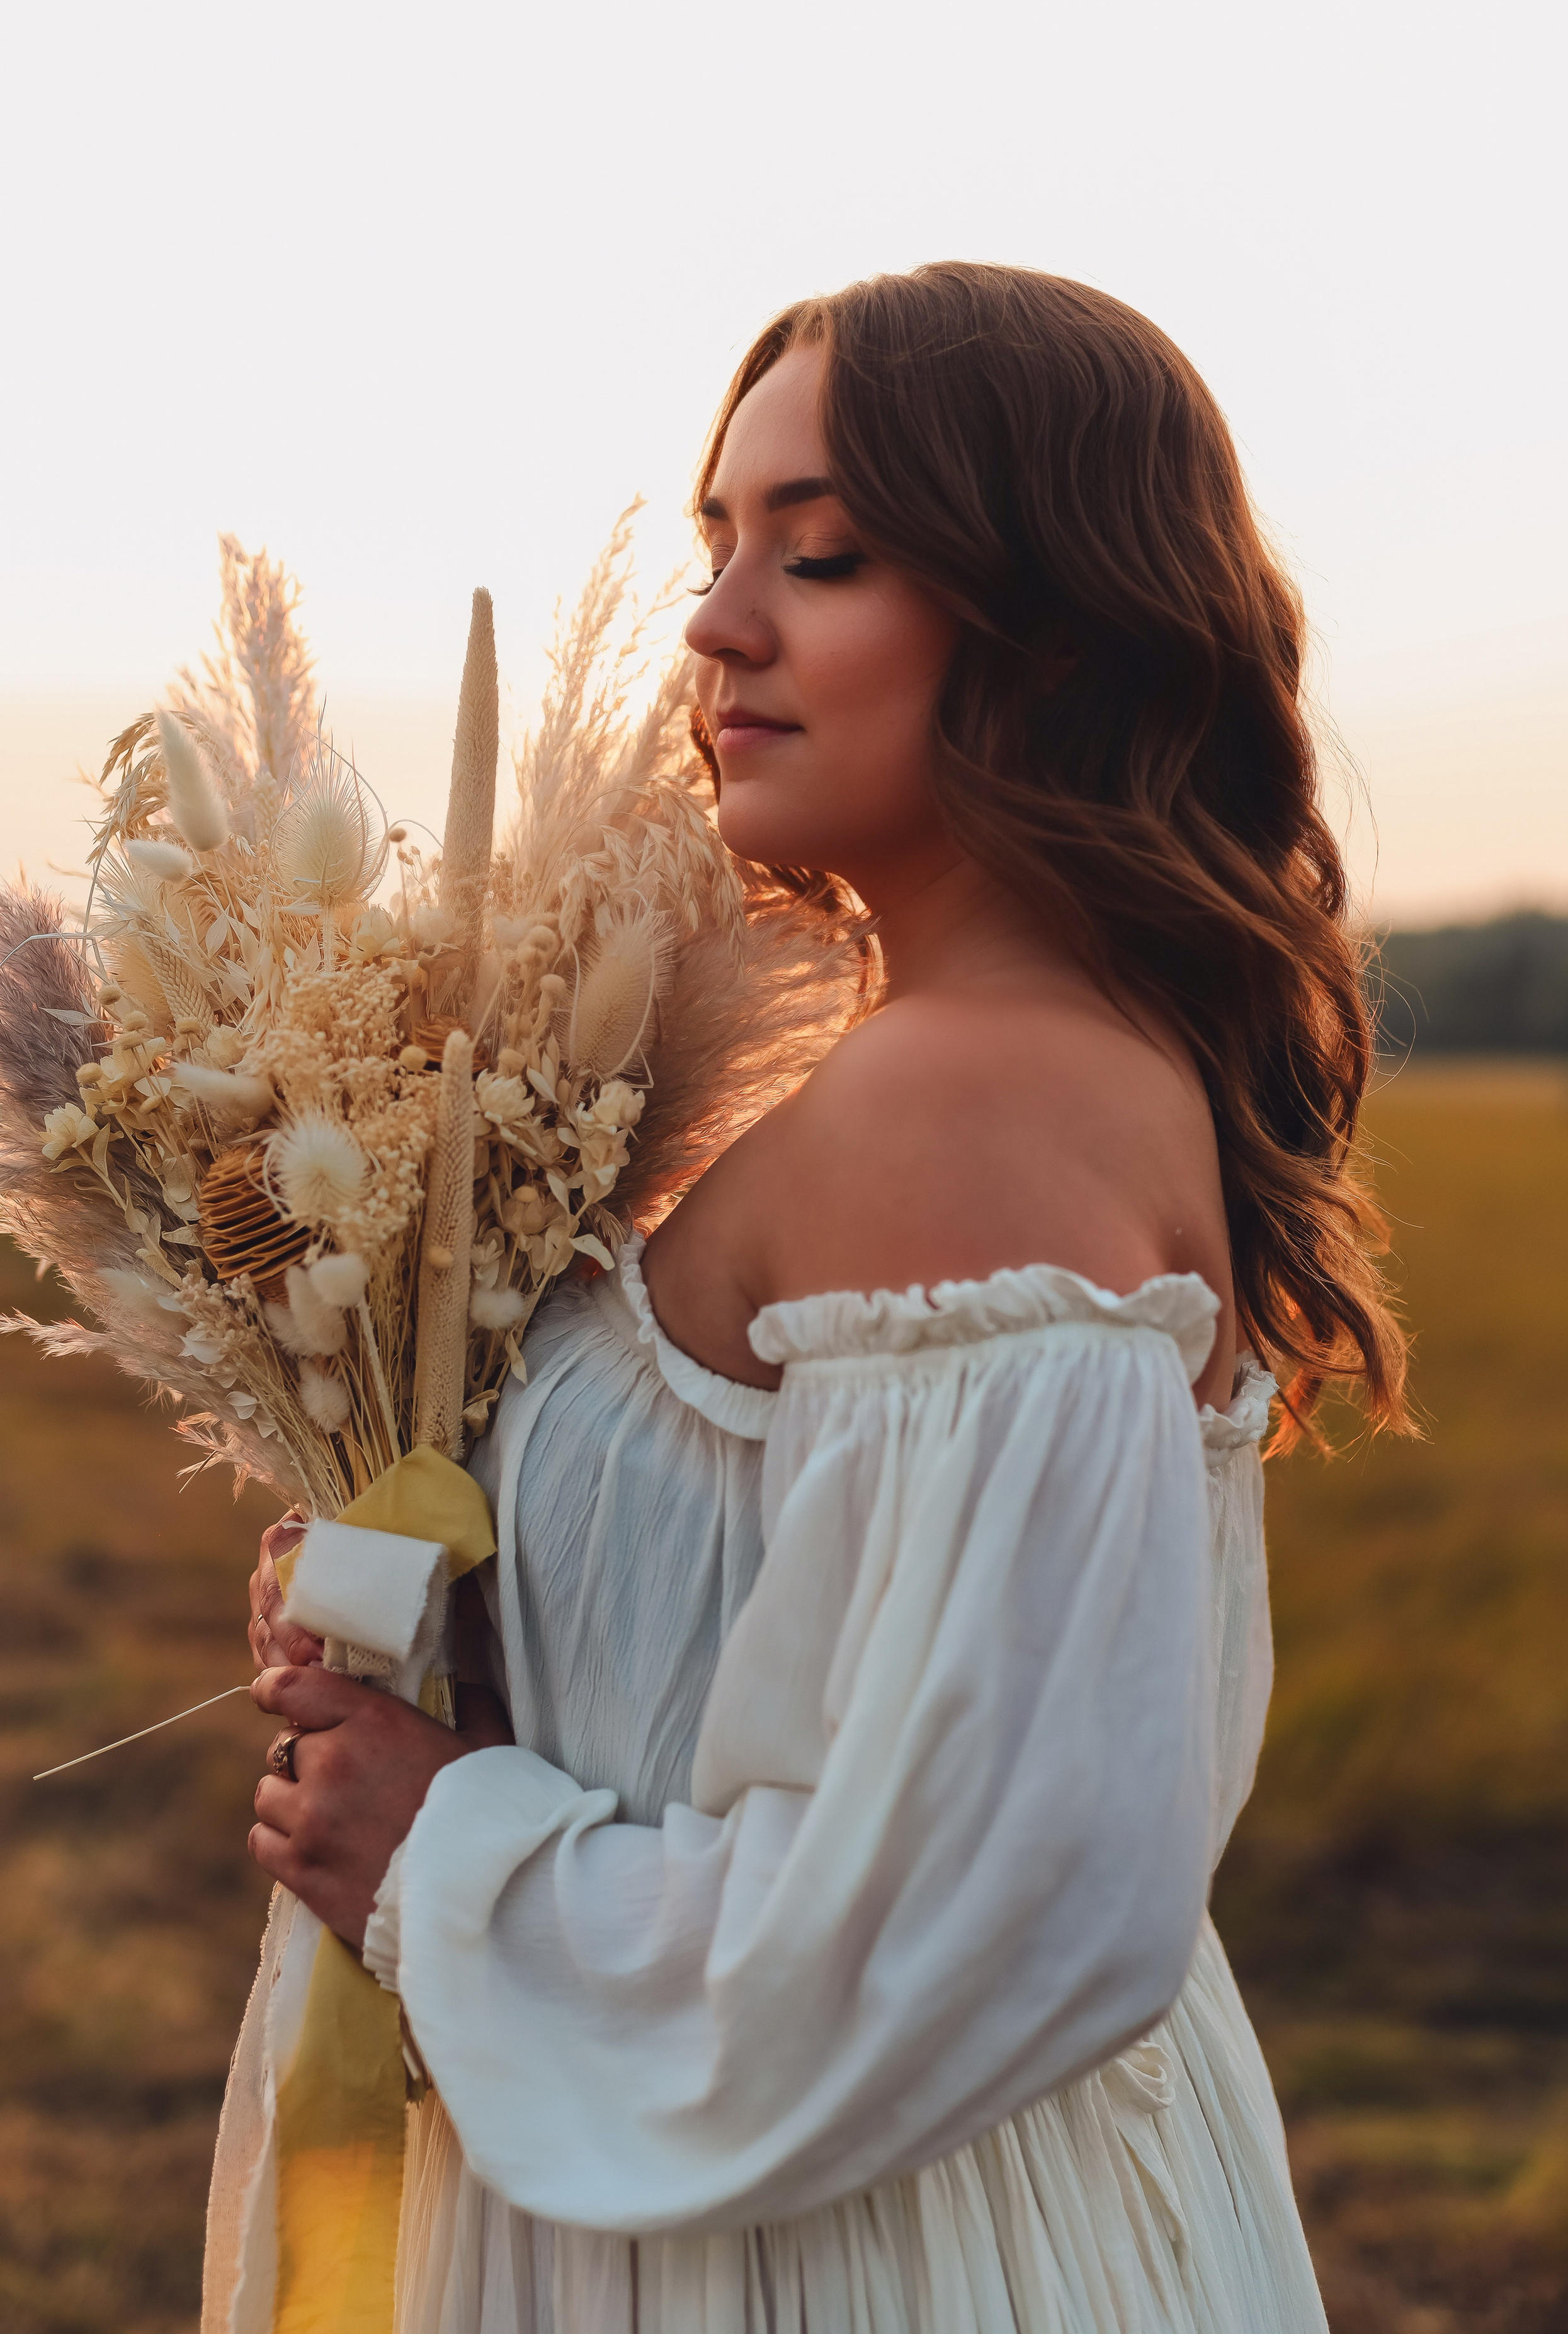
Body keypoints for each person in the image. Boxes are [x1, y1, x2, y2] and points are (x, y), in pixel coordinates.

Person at [236, 262, 1408, 2331]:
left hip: (853, 2257)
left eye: (830, 554)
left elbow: (974, 1915)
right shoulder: (927, 1061)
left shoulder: (978, 1092)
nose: (717, 625)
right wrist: (467, 1661)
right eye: (720, 539)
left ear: (1054, 622)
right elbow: (791, 1686)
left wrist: (451, 1855)